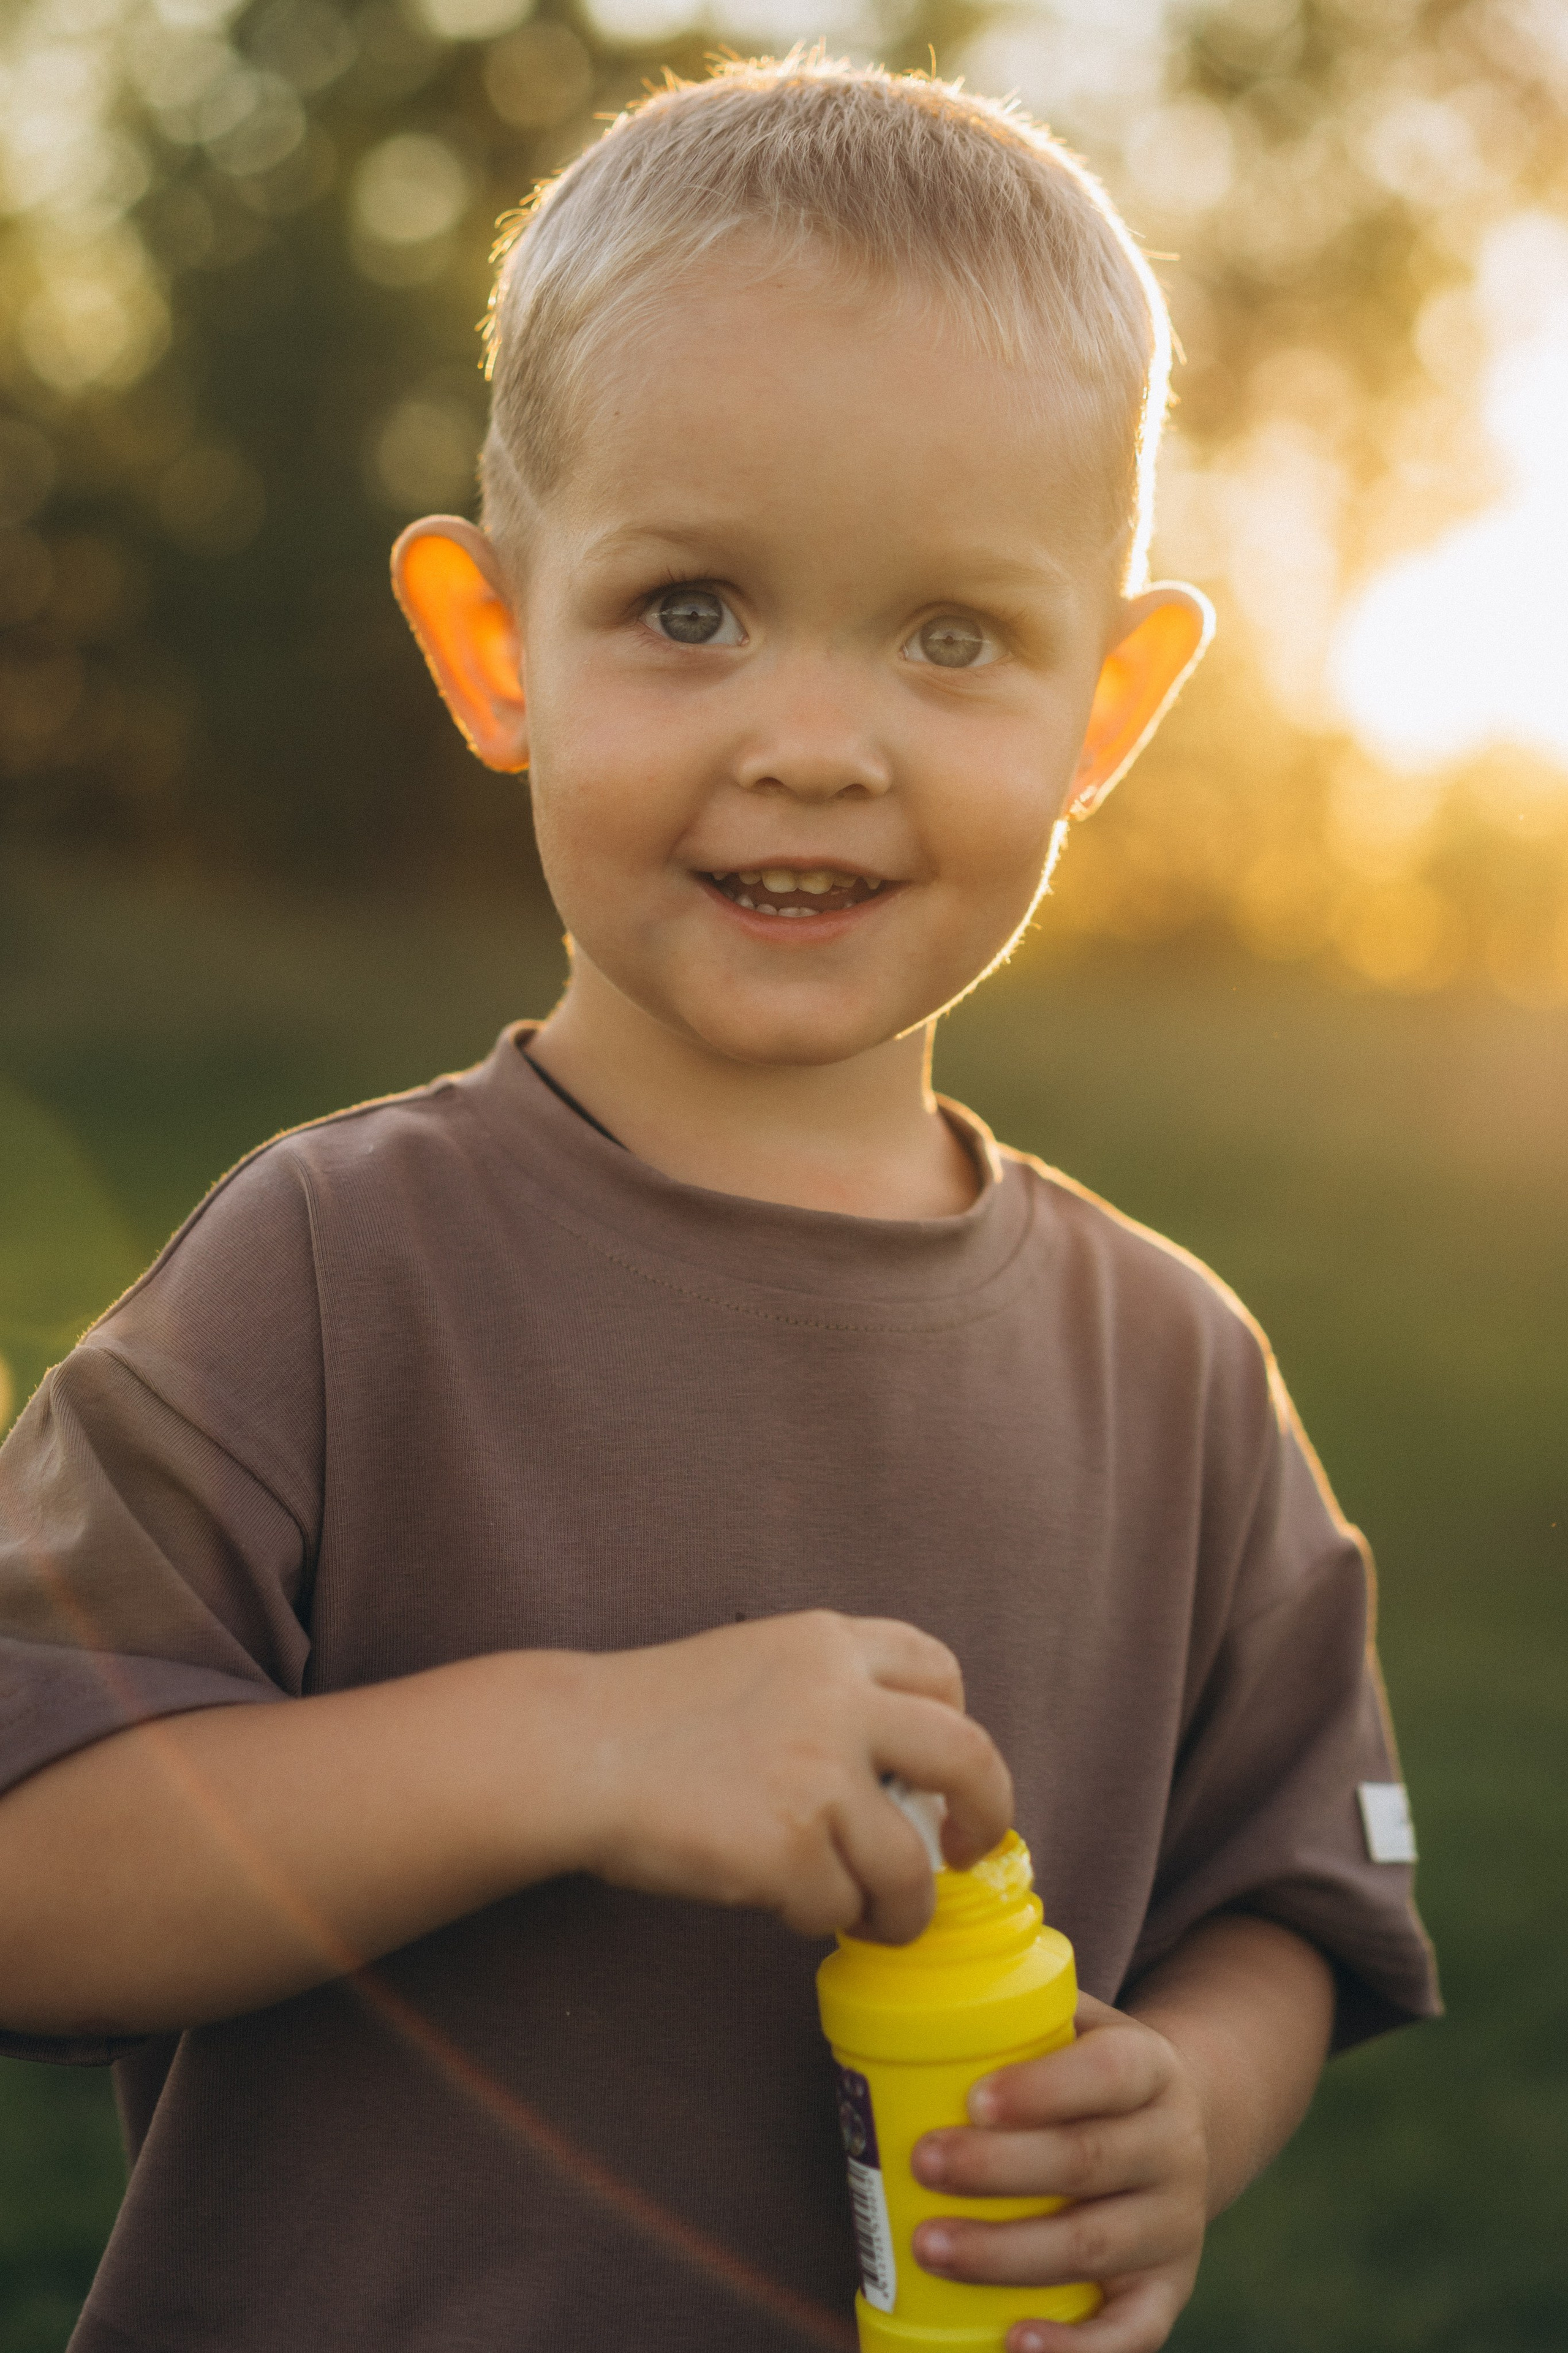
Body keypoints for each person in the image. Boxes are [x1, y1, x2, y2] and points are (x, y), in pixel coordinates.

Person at [0, 57, 1437, 2353]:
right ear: (497, 649)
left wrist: (1190, 2095)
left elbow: (1293, 1893)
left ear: (1107, 706)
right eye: (690, 609)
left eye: (951, 636)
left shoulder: (1175, 1368)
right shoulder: (332, 1273)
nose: (814, 742)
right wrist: (572, 1748)